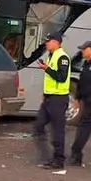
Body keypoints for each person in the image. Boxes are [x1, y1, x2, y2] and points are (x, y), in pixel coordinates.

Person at [33, 31, 70, 170]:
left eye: (49, 41)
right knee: (38, 125)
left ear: (56, 42)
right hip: (49, 98)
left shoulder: (62, 57)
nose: (46, 43)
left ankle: (58, 159)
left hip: (58, 99)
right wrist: (45, 94)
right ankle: (48, 156)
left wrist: (46, 68)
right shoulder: (51, 55)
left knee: (57, 130)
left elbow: (61, 77)